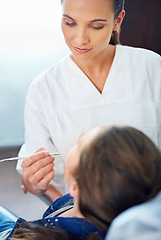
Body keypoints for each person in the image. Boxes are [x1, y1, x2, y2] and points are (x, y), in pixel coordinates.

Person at [16, 0, 161, 202]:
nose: (80, 39)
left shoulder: (152, 68)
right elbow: (39, 183)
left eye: (96, 26)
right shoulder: (43, 88)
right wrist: (34, 183)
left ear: (117, 20)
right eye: (70, 23)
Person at [2, 125, 161, 239]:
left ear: (76, 187)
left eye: (79, 146)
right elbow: (71, 205)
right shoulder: (95, 203)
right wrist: (47, 189)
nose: (80, 136)